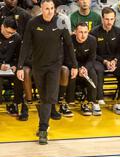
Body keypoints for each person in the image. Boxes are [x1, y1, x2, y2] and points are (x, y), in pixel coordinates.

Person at [17, 0, 78, 145]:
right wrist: (20, 66)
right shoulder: (33, 23)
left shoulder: (60, 22)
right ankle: (44, 122)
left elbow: (69, 45)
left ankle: (43, 129)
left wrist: (74, 65)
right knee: (44, 96)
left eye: (52, 8)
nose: (49, 11)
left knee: (48, 97)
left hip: (54, 66)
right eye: (46, 8)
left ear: (55, 9)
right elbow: (25, 45)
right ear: (41, 9)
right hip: (38, 66)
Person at [91, 7, 120, 114]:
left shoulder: (119, 32)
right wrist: (105, 61)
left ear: (114, 19)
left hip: (114, 60)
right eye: (107, 19)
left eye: (111, 19)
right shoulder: (94, 32)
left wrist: (114, 61)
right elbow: (93, 54)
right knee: (98, 70)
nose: (109, 22)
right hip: (99, 60)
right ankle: (99, 100)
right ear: (102, 19)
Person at [65, 22, 100, 116]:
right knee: (72, 74)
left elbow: (92, 58)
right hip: (72, 64)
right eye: (80, 32)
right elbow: (66, 58)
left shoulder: (92, 40)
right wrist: (75, 67)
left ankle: (90, 102)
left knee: (92, 74)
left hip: (85, 65)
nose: (83, 35)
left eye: (85, 32)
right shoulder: (69, 40)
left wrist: (85, 68)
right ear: (75, 32)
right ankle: (68, 102)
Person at [1, 17, 25, 116]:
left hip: (10, 67)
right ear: (2, 27)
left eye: (12, 33)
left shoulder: (17, 37)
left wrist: (15, 66)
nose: (9, 35)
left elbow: (19, 56)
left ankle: (15, 103)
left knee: (20, 75)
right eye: (7, 32)